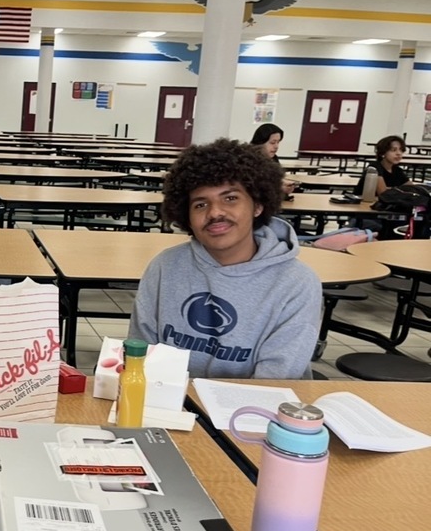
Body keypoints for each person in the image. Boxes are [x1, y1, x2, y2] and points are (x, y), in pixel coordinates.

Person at [128, 138, 322, 380]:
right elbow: (140, 353)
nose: (215, 212)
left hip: (255, 410)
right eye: (200, 204)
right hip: (171, 408)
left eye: (230, 198)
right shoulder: (165, 267)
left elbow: (275, 378)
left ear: (258, 205)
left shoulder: (297, 283)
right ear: (186, 216)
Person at [250, 123, 297, 198]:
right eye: (272, 142)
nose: (276, 146)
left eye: (278, 142)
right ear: (260, 142)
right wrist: (277, 188)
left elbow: (275, 180)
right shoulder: (249, 160)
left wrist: (284, 186)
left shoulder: (273, 159)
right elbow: (252, 188)